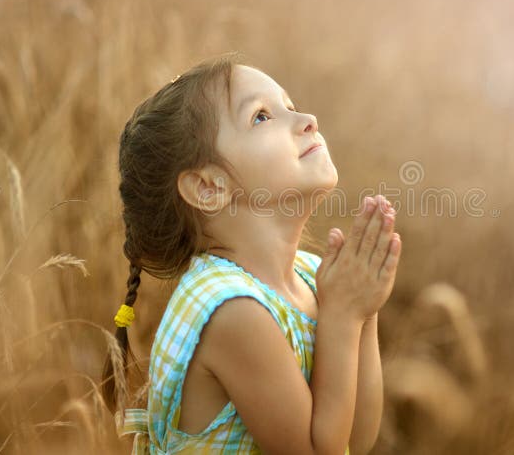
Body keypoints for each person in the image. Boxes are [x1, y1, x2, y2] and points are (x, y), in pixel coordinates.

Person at [101, 54, 402, 454]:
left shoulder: (312, 276)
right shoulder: (231, 312)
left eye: (290, 106)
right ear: (209, 187)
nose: (307, 119)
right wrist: (343, 316)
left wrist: (363, 309)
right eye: (262, 116)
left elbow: (355, 440)